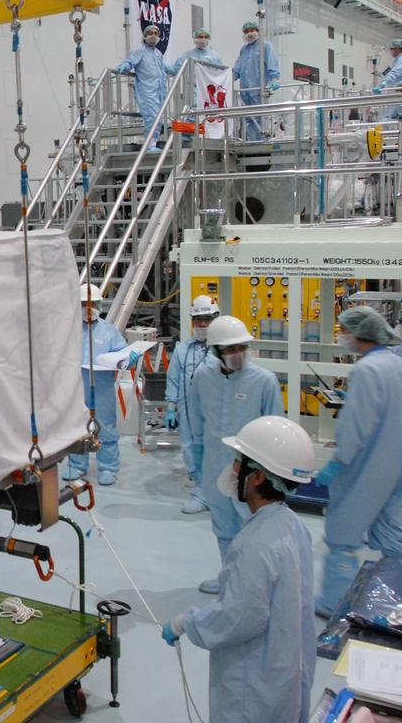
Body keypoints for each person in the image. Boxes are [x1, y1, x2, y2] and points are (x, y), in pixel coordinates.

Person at [160, 415, 316, 723]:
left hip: (254, 689)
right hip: (285, 675)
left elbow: (239, 618)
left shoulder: (253, 544)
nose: (232, 469)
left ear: (257, 477)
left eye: (238, 461)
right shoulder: (292, 526)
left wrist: (186, 623)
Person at [183, 315, 282, 593]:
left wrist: (271, 475)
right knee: (223, 528)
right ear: (215, 351)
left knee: (252, 529)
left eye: (241, 347)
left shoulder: (264, 381)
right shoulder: (203, 378)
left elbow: (275, 426)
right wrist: (197, 461)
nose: (237, 354)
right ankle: (230, 580)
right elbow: (198, 422)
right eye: (230, 349)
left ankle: (255, 585)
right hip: (215, 464)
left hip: (253, 470)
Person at [314, 306, 402, 617]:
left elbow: (355, 428)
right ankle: (391, 603)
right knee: (395, 541)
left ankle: (335, 603)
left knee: (342, 536)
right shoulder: (394, 362)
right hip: (394, 466)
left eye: (344, 330)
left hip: (364, 468)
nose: (343, 336)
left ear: (359, 333)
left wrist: (336, 463)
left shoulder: (366, 370)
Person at [66, 284, 129, 486]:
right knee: (77, 426)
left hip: (102, 387)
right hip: (77, 386)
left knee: (105, 426)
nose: (89, 308)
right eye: (84, 304)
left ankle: (108, 467)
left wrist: (129, 358)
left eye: (93, 304)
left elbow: (123, 353)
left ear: (100, 305)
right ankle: (77, 465)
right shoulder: (69, 331)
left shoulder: (109, 332)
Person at [165, 295, 219, 514]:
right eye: (198, 320)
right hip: (189, 413)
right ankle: (201, 491)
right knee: (191, 448)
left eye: (207, 319)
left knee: (217, 450)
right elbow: (174, 379)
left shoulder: (223, 350)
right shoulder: (182, 350)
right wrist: (170, 408)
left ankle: (219, 493)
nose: (203, 324)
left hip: (216, 413)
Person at [117, 24, 169, 146]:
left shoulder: (158, 54)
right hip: (146, 91)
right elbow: (130, 62)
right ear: (145, 36)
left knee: (158, 118)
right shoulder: (140, 51)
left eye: (156, 34)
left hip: (159, 92)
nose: (154, 36)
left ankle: (153, 142)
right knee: (152, 117)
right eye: (151, 33)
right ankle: (150, 144)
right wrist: (124, 67)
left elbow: (163, 69)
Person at [232, 20, 279, 141]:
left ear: (258, 31)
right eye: (246, 31)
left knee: (260, 117)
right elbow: (237, 70)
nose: (250, 33)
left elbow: (272, 64)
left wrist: (274, 80)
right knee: (248, 118)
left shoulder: (266, 46)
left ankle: (261, 143)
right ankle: (251, 143)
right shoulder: (244, 50)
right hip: (245, 91)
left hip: (259, 90)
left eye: (252, 30)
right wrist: (225, 80)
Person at [372, 38, 402, 120]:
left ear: (399, 48)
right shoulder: (395, 61)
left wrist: (383, 84)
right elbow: (388, 73)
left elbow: (394, 74)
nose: (391, 51)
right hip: (393, 94)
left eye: (393, 49)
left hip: (397, 93)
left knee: (392, 117)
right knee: (389, 117)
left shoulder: (401, 59)